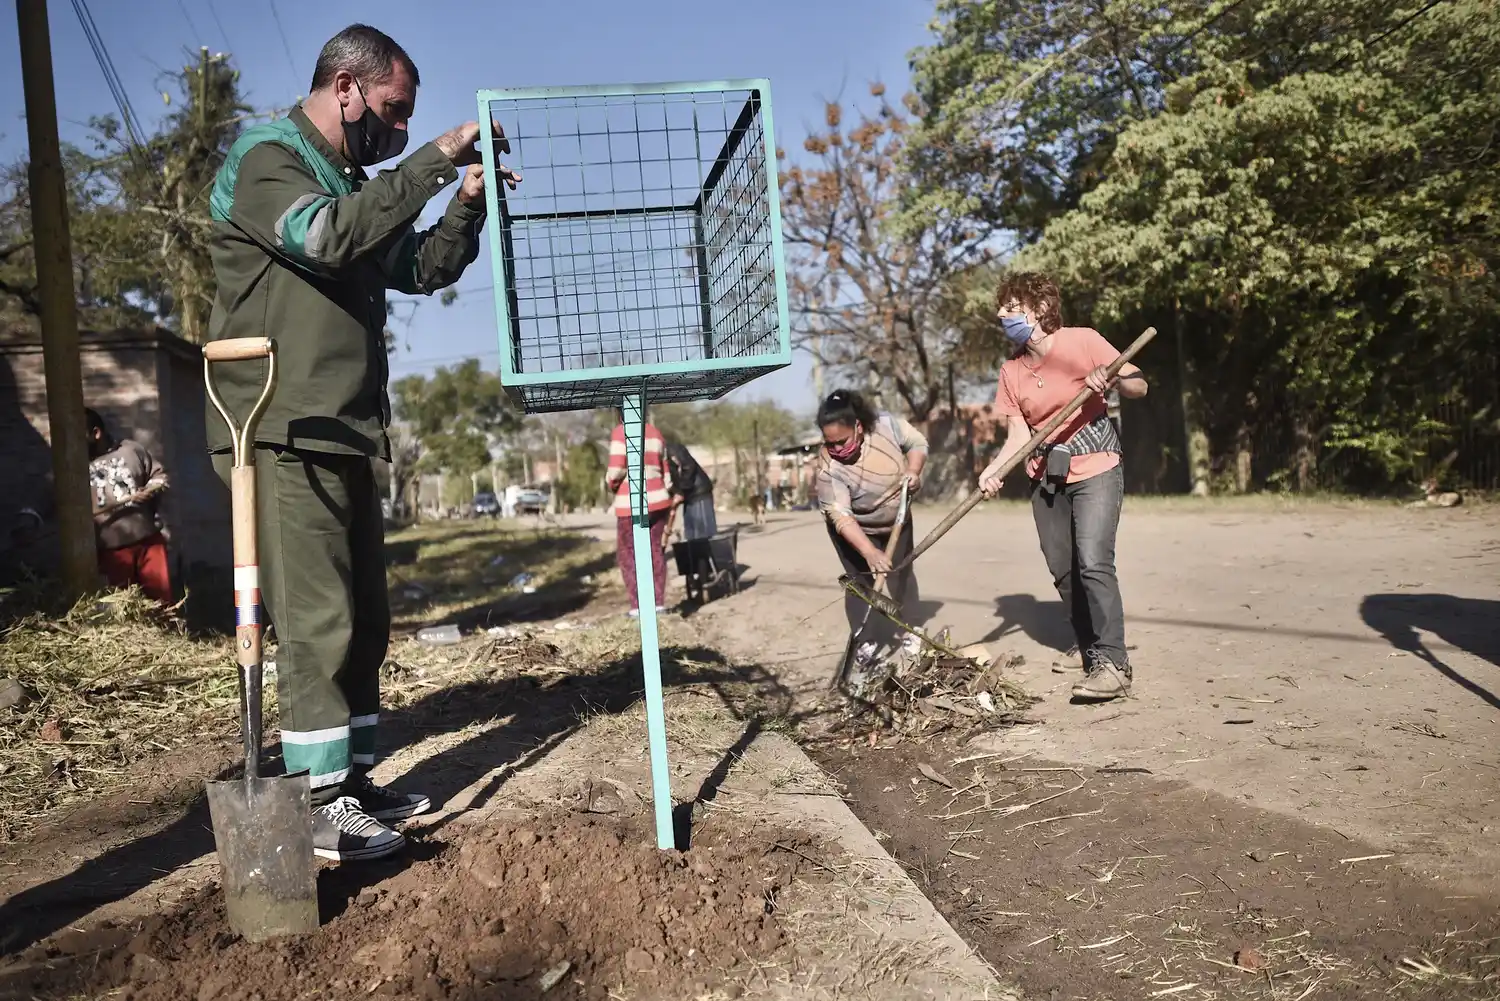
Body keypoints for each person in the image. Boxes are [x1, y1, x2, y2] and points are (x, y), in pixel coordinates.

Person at [205, 24, 520, 863]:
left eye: (411, 118)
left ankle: (352, 780)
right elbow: (323, 237)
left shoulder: (346, 180)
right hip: (277, 423)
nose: (402, 130)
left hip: (342, 426)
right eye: (393, 110)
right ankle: (313, 803)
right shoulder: (268, 159)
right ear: (346, 86)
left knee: (366, 620)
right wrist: (431, 162)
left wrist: (466, 200)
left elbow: (418, 268)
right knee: (318, 620)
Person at [979, 272, 1148, 702]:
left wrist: (1109, 379)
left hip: (1097, 466)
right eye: (1002, 309)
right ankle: (1089, 645)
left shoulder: (1083, 341)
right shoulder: (1011, 371)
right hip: (1046, 475)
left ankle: (1114, 663)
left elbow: (1138, 385)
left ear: (1038, 309)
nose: (1002, 315)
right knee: (1064, 570)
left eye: (1012, 307)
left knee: (1093, 560)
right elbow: (1019, 436)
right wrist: (994, 469)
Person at [814, 389, 928, 670]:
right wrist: (869, 551)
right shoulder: (828, 468)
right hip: (854, 529)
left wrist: (914, 470)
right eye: (831, 444)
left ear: (858, 426)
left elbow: (917, 442)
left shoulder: (887, 426)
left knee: (901, 575)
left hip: (896, 519)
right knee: (859, 582)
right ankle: (865, 640)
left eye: (842, 442)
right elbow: (841, 517)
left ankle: (910, 630)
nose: (838, 450)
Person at [85, 409, 173, 606]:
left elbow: (159, 476)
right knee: (122, 608)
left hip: (149, 542)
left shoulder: (130, 450)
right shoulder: (72, 465)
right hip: (110, 552)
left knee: (161, 603)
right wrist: (30, 516)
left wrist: (150, 489)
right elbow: (51, 493)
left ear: (95, 433)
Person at [605, 411, 673, 616]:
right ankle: (658, 603)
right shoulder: (655, 433)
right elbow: (667, 473)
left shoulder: (621, 433)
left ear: (619, 413)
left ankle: (638, 606)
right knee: (655, 550)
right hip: (659, 500)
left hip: (631, 502)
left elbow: (616, 470)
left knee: (628, 554)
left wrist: (611, 484)